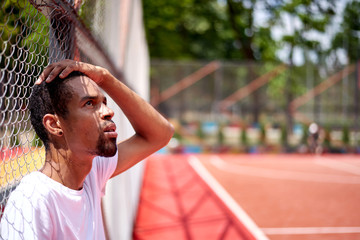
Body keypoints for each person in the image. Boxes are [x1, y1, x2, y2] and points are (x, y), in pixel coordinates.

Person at [0, 60, 174, 239]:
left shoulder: (90, 173)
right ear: (54, 124)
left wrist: (105, 78)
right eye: (89, 104)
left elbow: (160, 134)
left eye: (104, 102)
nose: (108, 112)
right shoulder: (33, 201)